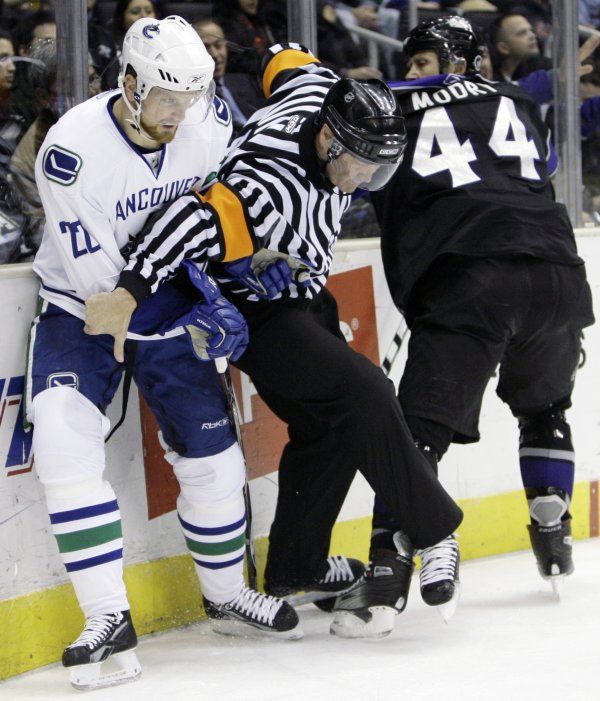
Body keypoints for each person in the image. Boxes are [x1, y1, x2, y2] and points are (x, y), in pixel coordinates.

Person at [83, 42, 464, 640]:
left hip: (305, 288)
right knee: (364, 392)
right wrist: (129, 291)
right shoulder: (264, 179)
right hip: (256, 309)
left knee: (332, 423)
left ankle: (296, 568)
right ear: (327, 143)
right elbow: (185, 221)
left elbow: (285, 55)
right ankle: (434, 530)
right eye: (361, 165)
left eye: (379, 169)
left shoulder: (319, 94)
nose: (366, 181)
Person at [29, 16, 302, 692]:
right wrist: (205, 304)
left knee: (214, 456)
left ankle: (225, 593)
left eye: (190, 100)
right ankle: (106, 617)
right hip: (82, 307)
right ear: (128, 83)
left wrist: (233, 277)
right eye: (165, 101)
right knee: (63, 440)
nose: (180, 116)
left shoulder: (206, 120)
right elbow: (104, 299)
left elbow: (227, 210)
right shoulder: (70, 151)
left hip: (171, 293)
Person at [365, 15, 593, 613]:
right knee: (544, 408)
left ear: (458, 63)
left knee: (415, 436)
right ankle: (552, 524)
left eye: (421, 63)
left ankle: (388, 568)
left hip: (471, 276)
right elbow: (527, 172)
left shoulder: (395, 108)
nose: (410, 74)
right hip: (558, 274)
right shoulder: (515, 99)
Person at [194, 18, 266, 139]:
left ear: (226, 47)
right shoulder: (193, 98)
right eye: (206, 47)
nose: (215, 55)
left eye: (218, 45)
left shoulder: (246, 82)